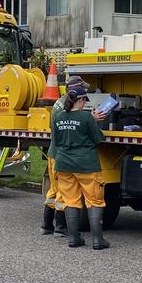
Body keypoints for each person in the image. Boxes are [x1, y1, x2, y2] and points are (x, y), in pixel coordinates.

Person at [48, 80, 108, 249]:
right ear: (81, 99)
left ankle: (73, 238)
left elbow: (57, 141)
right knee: (94, 201)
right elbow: (98, 139)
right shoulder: (86, 117)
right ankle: (98, 240)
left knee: (71, 200)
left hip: (64, 164)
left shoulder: (59, 117)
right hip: (86, 165)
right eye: (84, 101)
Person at [41, 75, 88, 236]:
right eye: (83, 90)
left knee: (53, 191)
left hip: (53, 153)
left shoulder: (58, 104)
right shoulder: (67, 108)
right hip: (61, 155)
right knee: (63, 191)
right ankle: (61, 227)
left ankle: (47, 225)